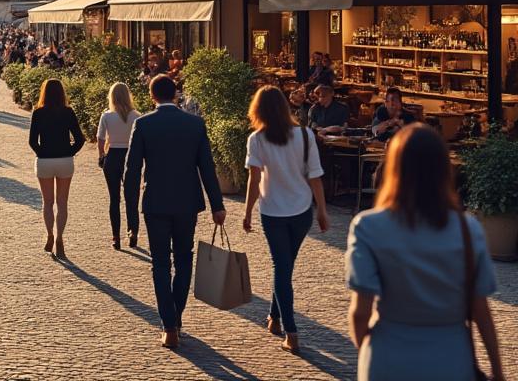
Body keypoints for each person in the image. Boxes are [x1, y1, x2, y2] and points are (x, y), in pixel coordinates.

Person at [346, 125, 506, 381]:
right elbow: (480, 310)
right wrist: (497, 370)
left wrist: (369, 347)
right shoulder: (468, 229)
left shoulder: (368, 226)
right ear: (443, 170)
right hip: (450, 359)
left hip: (388, 356)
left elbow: (360, 312)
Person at [124, 75, 226, 349]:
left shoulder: (143, 124)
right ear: (176, 95)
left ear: (152, 96)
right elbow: (207, 167)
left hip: (155, 203)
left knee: (160, 263)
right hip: (186, 203)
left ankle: (168, 325)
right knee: (183, 259)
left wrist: (130, 210)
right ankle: (176, 319)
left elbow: (131, 171)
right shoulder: (194, 124)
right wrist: (218, 205)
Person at [241, 86, 330, 354]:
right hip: (301, 210)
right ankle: (274, 318)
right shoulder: (304, 135)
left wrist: (247, 213)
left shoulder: (257, 139)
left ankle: (290, 331)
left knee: (282, 267)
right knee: (284, 265)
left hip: (273, 212)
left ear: (258, 110)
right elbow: (315, 176)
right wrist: (322, 211)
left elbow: (254, 180)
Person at [28, 78, 84, 258]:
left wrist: (41, 152)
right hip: (64, 160)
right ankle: (60, 237)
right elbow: (80, 138)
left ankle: (50, 234)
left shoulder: (38, 113)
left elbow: (32, 141)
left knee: (47, 202)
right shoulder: (68, 112)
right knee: (62, 202)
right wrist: (70, 151)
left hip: (45, 160)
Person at [97, 82, 141, 250]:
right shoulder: (137, 116)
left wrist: (101, 155)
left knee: (114, 198)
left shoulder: (107, 116)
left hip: (113, 155)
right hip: (130, 156)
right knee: (132, 198)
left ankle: (116, 236)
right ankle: (133, 231)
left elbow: (101, 139)